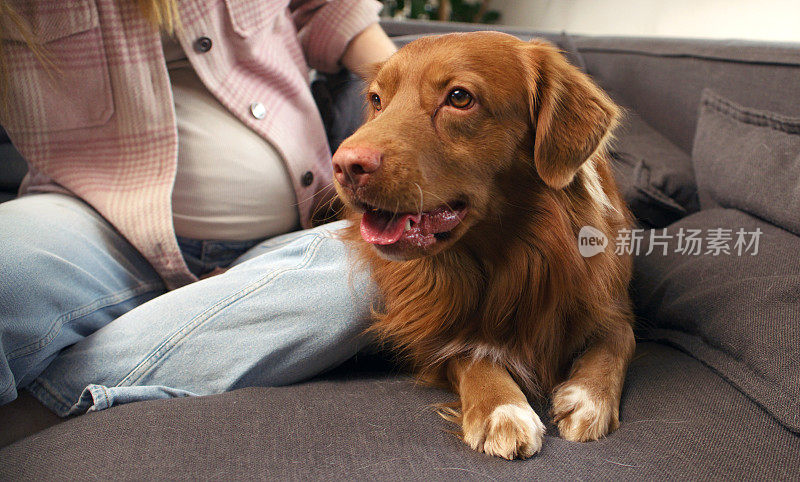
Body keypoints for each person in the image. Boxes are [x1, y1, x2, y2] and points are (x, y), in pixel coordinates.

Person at [0, 0, 395, 421]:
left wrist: (417, 100)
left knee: (378, 270)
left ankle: (33, 412)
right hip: (92, 226)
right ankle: (206, 323)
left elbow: (324, 9)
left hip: (292, 231)